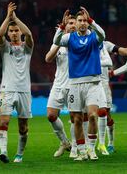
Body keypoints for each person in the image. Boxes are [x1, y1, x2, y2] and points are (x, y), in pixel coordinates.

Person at [54, 7, 106, 161]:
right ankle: (81, 151)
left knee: (92, 115)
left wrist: (92, 21)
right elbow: (56, 41)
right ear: (75, 23)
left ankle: (91, 149)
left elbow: (103, 34)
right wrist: (62, 27)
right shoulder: (70, 38)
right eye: (80, 21)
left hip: (92, 83)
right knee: (76, 119)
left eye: (85, 21)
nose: (83, 23)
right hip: (75, 84)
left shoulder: (94, 38)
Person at [0, 2, 34, 163]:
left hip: (24, 90)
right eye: (11, 31)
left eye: (16, 30)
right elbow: (0, 35)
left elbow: (30, 35)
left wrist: (15, 18)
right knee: (4, 121)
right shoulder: (5, 47)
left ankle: (19, 154)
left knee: (23, 127)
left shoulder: (27, 47)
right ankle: (3, 152)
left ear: (20, 32)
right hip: (7, 89)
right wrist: (7, 17)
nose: (13, 33)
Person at [45, 14, 76, 158]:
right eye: (69, 23)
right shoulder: (58, 41)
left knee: (75, 117)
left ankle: (75, 147)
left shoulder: (80, 41)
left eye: (73, 23)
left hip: (74, 84)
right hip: (58, 84)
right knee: (51, 115)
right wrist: (58, 41)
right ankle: (64, 142)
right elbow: (48, 59)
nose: (72, 25)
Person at [97, 40, 127, 155]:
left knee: (106, 114)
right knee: (86, 115)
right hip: (87, 83)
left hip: (103, 84)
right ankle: (87, 145)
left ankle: (110, 143)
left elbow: (122, 50)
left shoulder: (105, 44)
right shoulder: (81, 42)